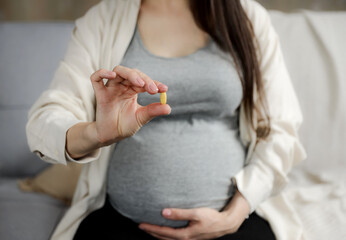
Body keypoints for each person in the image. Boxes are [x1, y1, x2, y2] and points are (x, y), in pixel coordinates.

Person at [26, 0, 307, 239]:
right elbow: (47, 121)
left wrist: (235, 213)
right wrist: (98, 133)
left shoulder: (248, 16)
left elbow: (281, 129)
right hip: (120, 222)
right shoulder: (103, 20)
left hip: (234, 222)